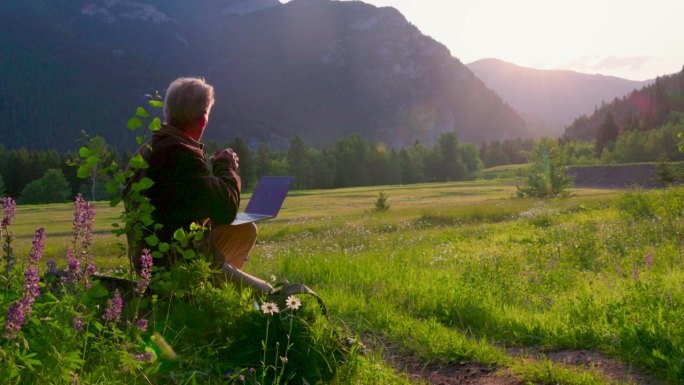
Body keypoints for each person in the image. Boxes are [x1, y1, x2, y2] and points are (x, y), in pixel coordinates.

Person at [124, 77, 273, 294]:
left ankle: (207, 294)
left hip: (150, 264)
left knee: (245, 229)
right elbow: (226, 209)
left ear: (169, 112)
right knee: (268, 294)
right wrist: (226, 166)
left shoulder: (149, 150)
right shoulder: (179, 154)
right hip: (177, 265)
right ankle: (204, 292)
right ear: (203, 119)